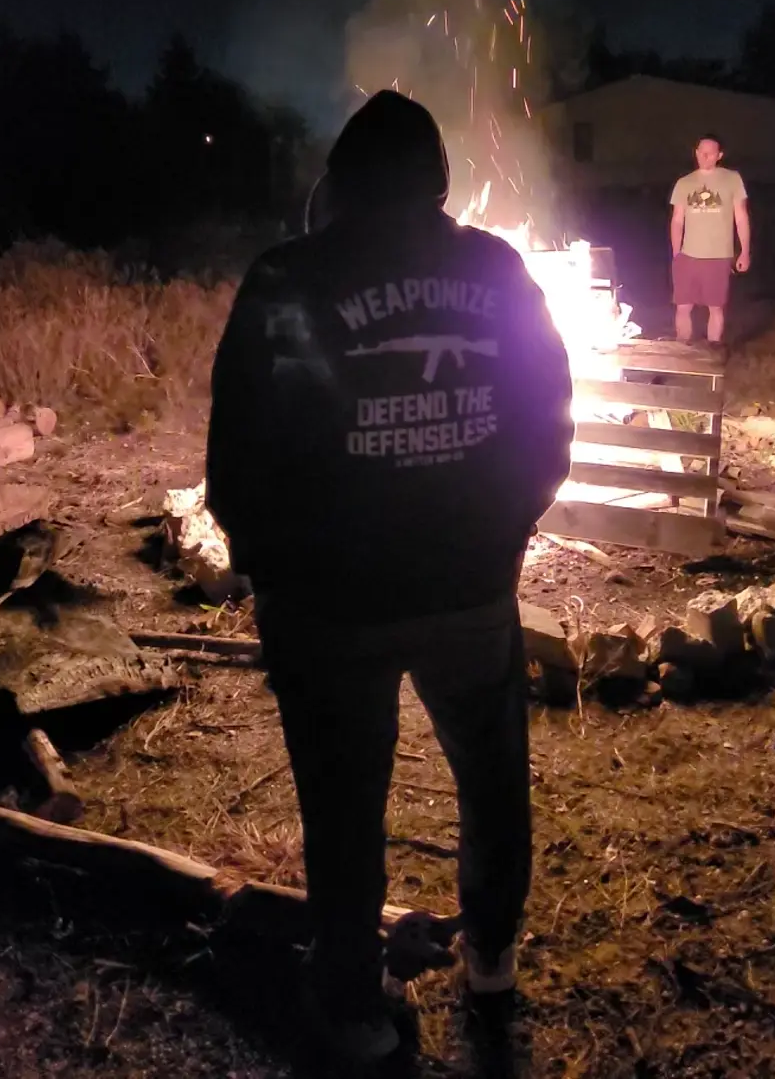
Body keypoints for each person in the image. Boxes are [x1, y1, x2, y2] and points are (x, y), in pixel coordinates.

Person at [206, 90, 573, 1064]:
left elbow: (237, 449)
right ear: (439, 185)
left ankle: (357, 1015)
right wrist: (503, 537)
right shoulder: (493, 269)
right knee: (492, 783)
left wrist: (266, 571)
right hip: (465, 594)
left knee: (341, 806)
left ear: (338, 183)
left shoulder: (283, 276)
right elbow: (545, 424)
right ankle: (489, 960)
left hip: (329, 609)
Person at [669, 134, 750, 344]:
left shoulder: (732, 179)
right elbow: (677, 220)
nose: (704, 156)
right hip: (688, 255)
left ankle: (712, 351)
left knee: (715, 307)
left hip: (718, 256)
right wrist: (676, 253)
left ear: (719, 155)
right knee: (683, 306)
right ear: (695, 153)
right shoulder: (684, 183)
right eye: (701, 152)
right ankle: (682, 350)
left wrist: (744, 251)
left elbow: (741, 217)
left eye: (710, 153)